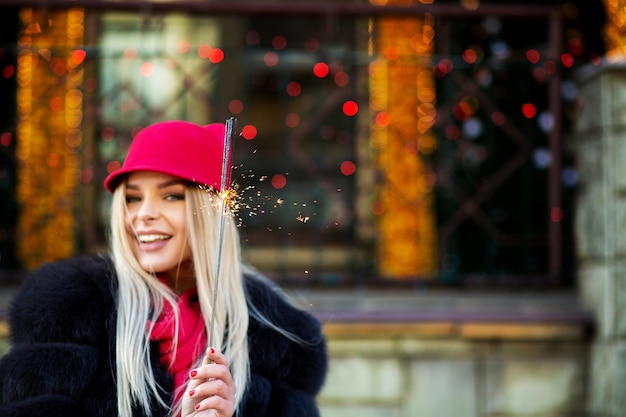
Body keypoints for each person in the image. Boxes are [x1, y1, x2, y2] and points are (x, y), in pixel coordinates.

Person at [0, 120, 328, 417]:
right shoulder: (71, 311)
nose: (144, 214)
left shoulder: (277, 338)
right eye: (132, 198)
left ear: (209, 211)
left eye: (170, 196)